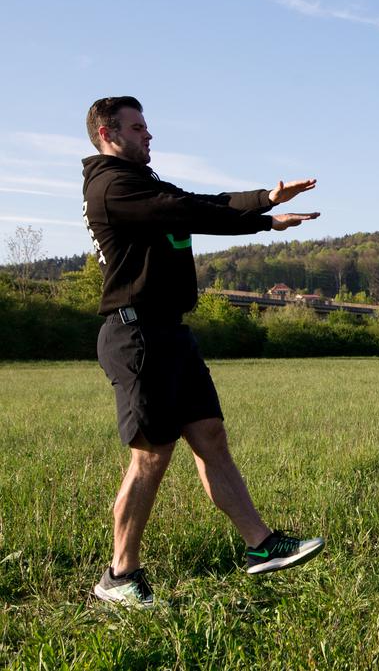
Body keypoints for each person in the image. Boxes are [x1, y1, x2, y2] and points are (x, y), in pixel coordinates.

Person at [83, 96, 325, 607]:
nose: (149, 135)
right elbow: (187, 211)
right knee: (151, 455)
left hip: (169, 333)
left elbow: (202, 199)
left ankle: (261, 546)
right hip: (137, 334)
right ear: (108, 134)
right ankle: (119, 577)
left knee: (210, 436)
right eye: (138, 127)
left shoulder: (142, 183)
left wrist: (265, 196)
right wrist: (263, 220)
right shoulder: (112, 186)